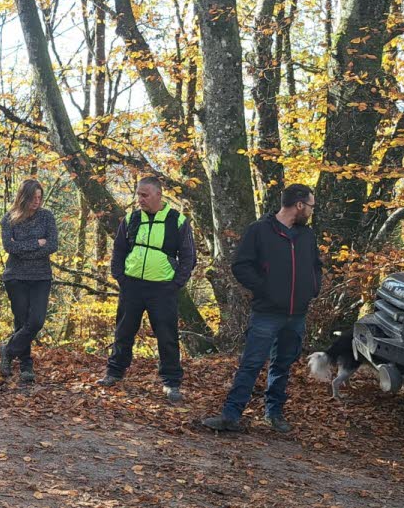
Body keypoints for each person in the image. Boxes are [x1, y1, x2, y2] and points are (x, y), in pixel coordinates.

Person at [203, 184, 322, 434]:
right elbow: (241, 265)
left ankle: (274, 413)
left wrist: (313, 288)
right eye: (310, 206)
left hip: (296, 315)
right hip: (267, 313)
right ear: (299, 205)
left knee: (283, 365)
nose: (312, 211)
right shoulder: (259, 231)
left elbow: (315, 266)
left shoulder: (307, 236)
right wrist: (265, 288)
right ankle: (231, 416)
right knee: (251, 363)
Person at [96, 176, 196, 402]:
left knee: (167, 335)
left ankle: (171, 382)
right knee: (123, 331)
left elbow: (189, 256)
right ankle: (114, 372)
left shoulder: (177, 221)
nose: (139, 199)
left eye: (145, 195)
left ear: (159, 195)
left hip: (163, 288)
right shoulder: (131, 218)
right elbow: (119, 249)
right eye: (138, 194)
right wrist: (120, 277)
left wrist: (176, 284)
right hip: (132, 286)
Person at [0, 179, 58, 385]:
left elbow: (52, 245)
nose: (37, 202)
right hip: (15, 276)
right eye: (33, 198)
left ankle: (8, 349)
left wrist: (23, 247)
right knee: (21, 321)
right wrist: (36, 244)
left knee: (36, 321)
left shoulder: (46, 216)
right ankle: (26, 365)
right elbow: (9, 247)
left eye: (40, 198)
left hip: (41, 276)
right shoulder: (9, 218)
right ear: (24, 197)